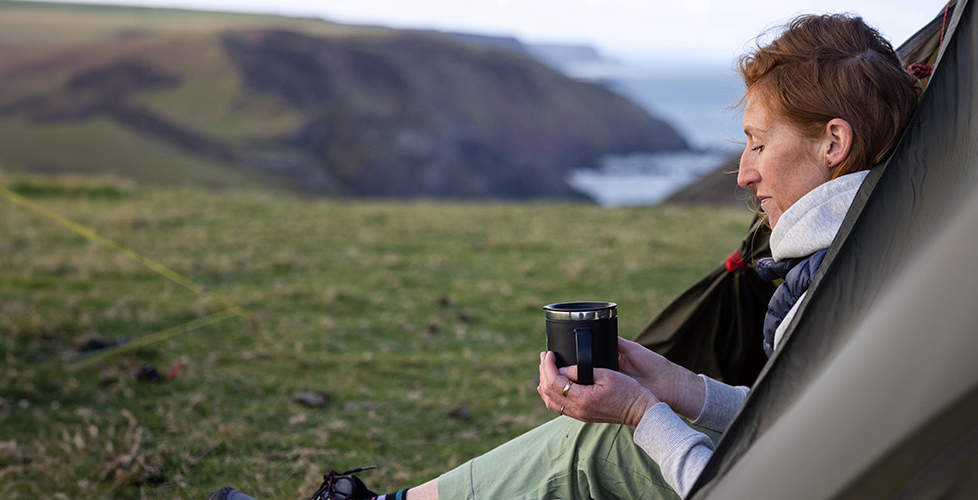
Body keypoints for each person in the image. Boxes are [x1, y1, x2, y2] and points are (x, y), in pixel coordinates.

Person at [209, 13, 918, 500]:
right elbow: (799, 419)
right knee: (596, 445)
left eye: (760, 143)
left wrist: (643, 415)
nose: (743, 172)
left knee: (601, 451)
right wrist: (677, 387)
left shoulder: (836, 283)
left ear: (833, 142)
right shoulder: (879, 244)